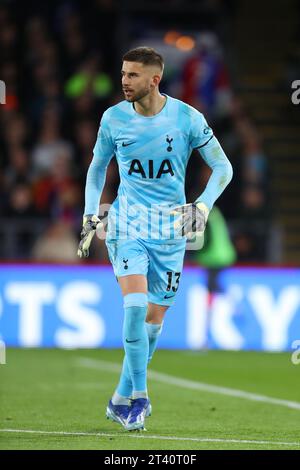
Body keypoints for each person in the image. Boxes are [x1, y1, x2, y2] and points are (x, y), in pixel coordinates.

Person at [77, 47, 233, 431]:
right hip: (127, 223)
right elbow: (98, 168)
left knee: (153, 320)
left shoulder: (186, 118)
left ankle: (119, 397)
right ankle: (140, 398)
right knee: (133, 306)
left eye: (132, 75)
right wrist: (90, 213)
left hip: (171, 232)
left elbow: (223, 167)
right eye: (123, 73)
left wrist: (202, 205)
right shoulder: (113, 118)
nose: (124, 81)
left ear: (154, 79)